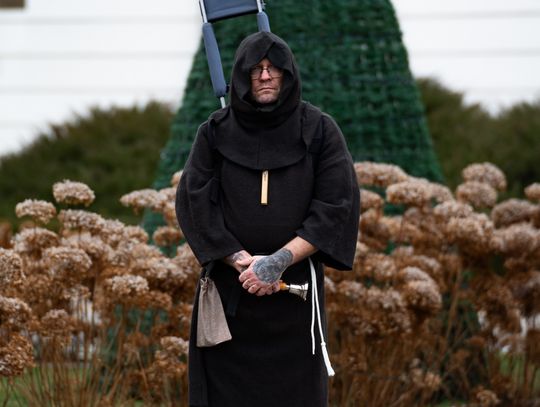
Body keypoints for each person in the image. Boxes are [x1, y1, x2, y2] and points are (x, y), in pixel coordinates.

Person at [176, 31, 359, 407]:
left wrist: (278, 261)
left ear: (288, 75)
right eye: (255, 68)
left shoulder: (320, 130)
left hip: (295, 296)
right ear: (241, 75)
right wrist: (240, 261)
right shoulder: (214, 132)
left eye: (274, 68)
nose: (264, 75)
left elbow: (335, 205)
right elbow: (195, 202)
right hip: (230, 295)